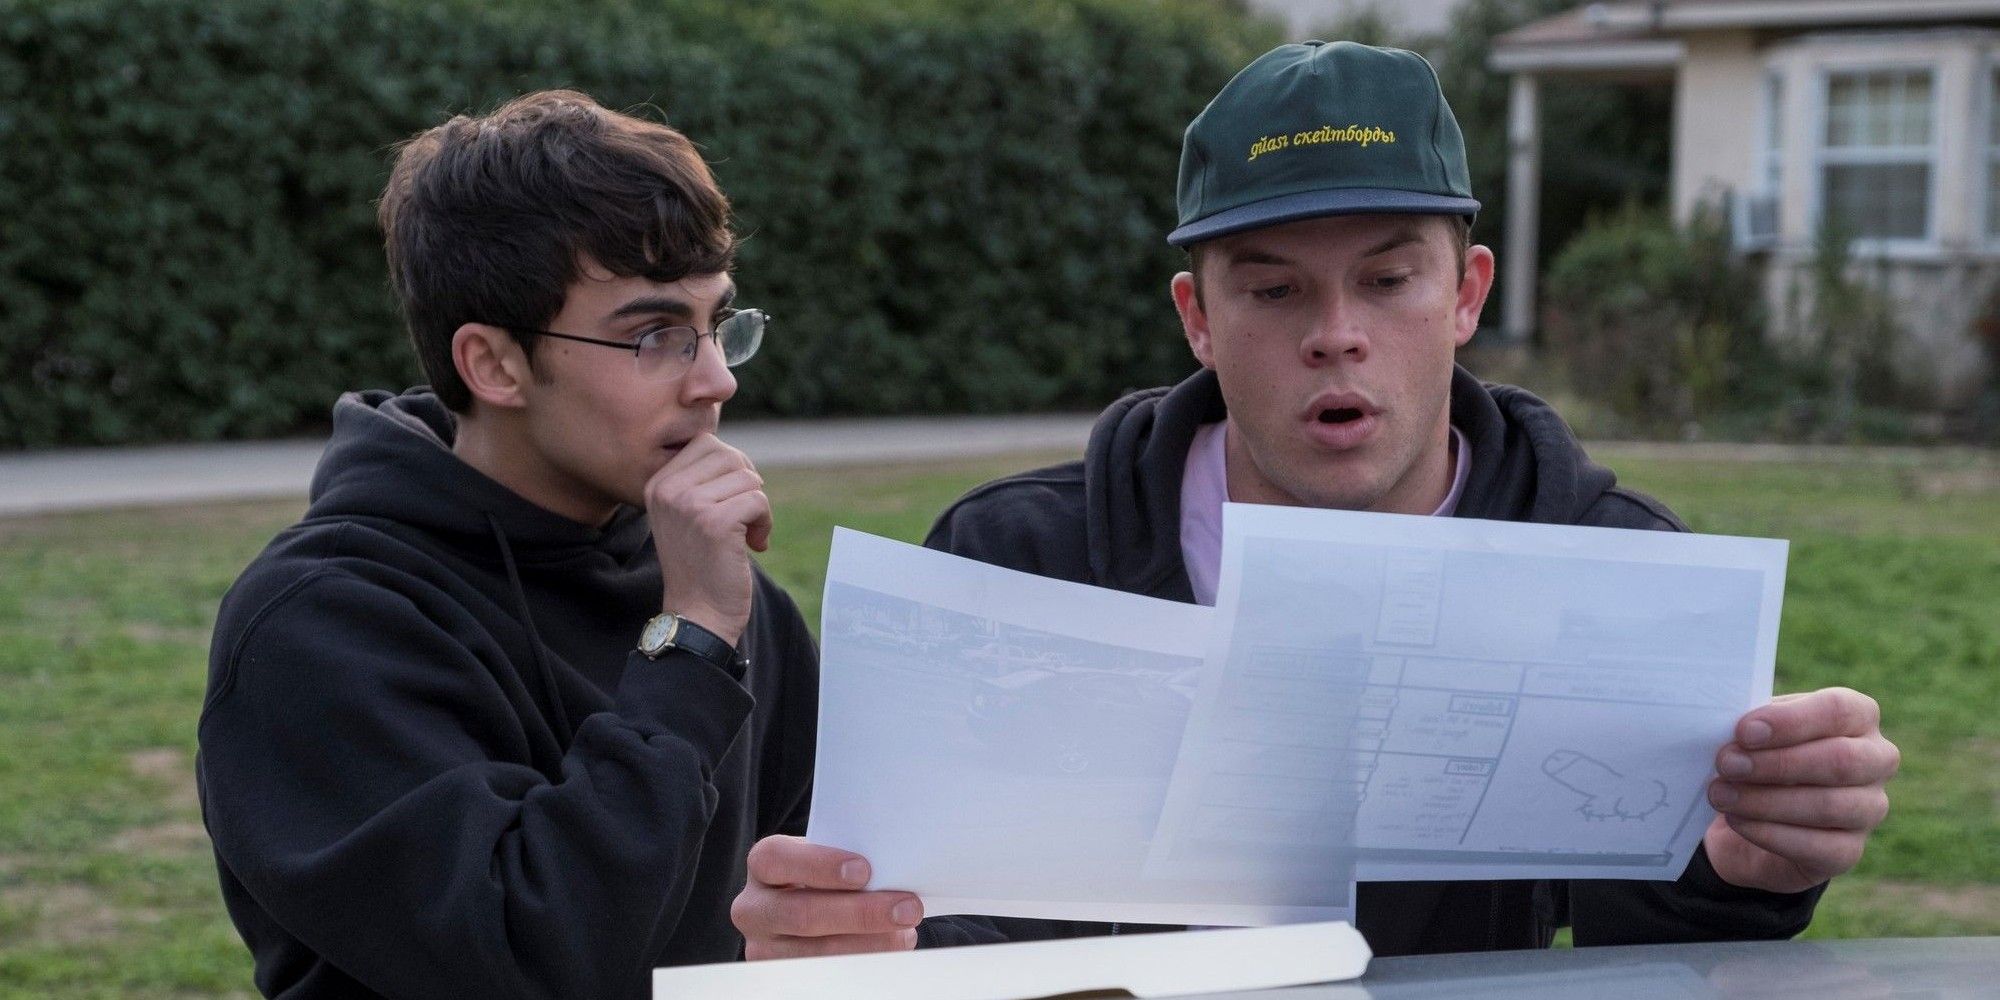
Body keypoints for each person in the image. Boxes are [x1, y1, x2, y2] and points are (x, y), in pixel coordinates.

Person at [731, 41, 1898, 959]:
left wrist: (1744, 871)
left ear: (1464, 293)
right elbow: (934, 924)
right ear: (1196, 316)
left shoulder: (1609, 567)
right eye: (1272, 288)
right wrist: (843, 931)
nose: (1335, 335)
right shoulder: (1010, 557)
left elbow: (1629, 955)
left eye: (1387, 280)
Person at [197, 90, 818, 998]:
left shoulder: (724, 597)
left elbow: (831, 881)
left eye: (719, 323)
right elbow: (527, 962)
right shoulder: (323, 623)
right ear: (492, 365)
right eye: (654, 336)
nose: (716, 380)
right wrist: (687, 646)